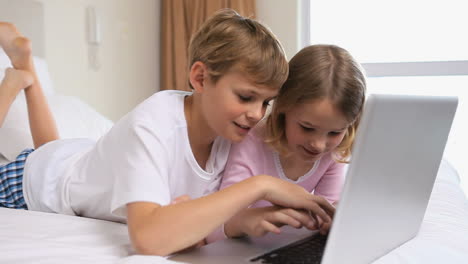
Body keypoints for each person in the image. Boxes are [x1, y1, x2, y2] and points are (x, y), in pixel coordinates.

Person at [0, 9, 335, 256]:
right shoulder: (153, 122)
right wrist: (260, 185)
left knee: (57, 152)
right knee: (49, 161)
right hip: (28, 183)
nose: (256, 114)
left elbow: (206, 222)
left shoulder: (231, 129)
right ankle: (11, 85)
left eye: (266, 103)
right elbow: (149, 239)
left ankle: (26, 69)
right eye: (246, 97)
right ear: (201, 78)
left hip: (75, 159)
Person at [209, 44, 367, 241]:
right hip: (243, 245)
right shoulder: (251, 143)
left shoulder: (333, 153)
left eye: (335, 132)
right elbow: (214, 226)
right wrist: (243, 220)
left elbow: (327, 209)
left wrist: (330, 221)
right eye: (307, 128)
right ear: (283, 106)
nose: (319, 145)